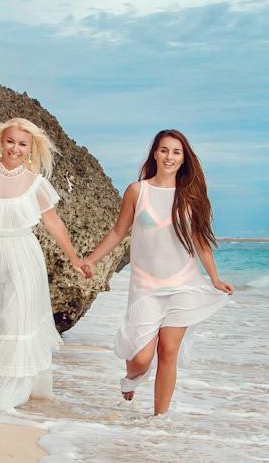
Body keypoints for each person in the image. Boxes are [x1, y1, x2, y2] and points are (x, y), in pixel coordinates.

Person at [79, 129, 232, 415]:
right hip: (146, 286)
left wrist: (214, 278)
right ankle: (132, 377)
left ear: (184, 159)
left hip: (184, 285)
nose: (169, 157)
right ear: (154, 153)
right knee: (141, 358)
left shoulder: (190, 197)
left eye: (176, 152)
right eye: (164, 150)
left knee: (168, 352)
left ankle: (159, 420)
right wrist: (91, 259)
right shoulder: (138, 191)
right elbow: (117, 231)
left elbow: (201, 243)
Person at [0, 117, 90, 411]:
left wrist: (75, 258)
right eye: (10, 141)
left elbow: (53, 223)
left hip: (23, 253)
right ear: (1, 142)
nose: (15, 148)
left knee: (17, 318)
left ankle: (12, 389)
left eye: (23, 144)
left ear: (31, 149)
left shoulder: (36, 184)